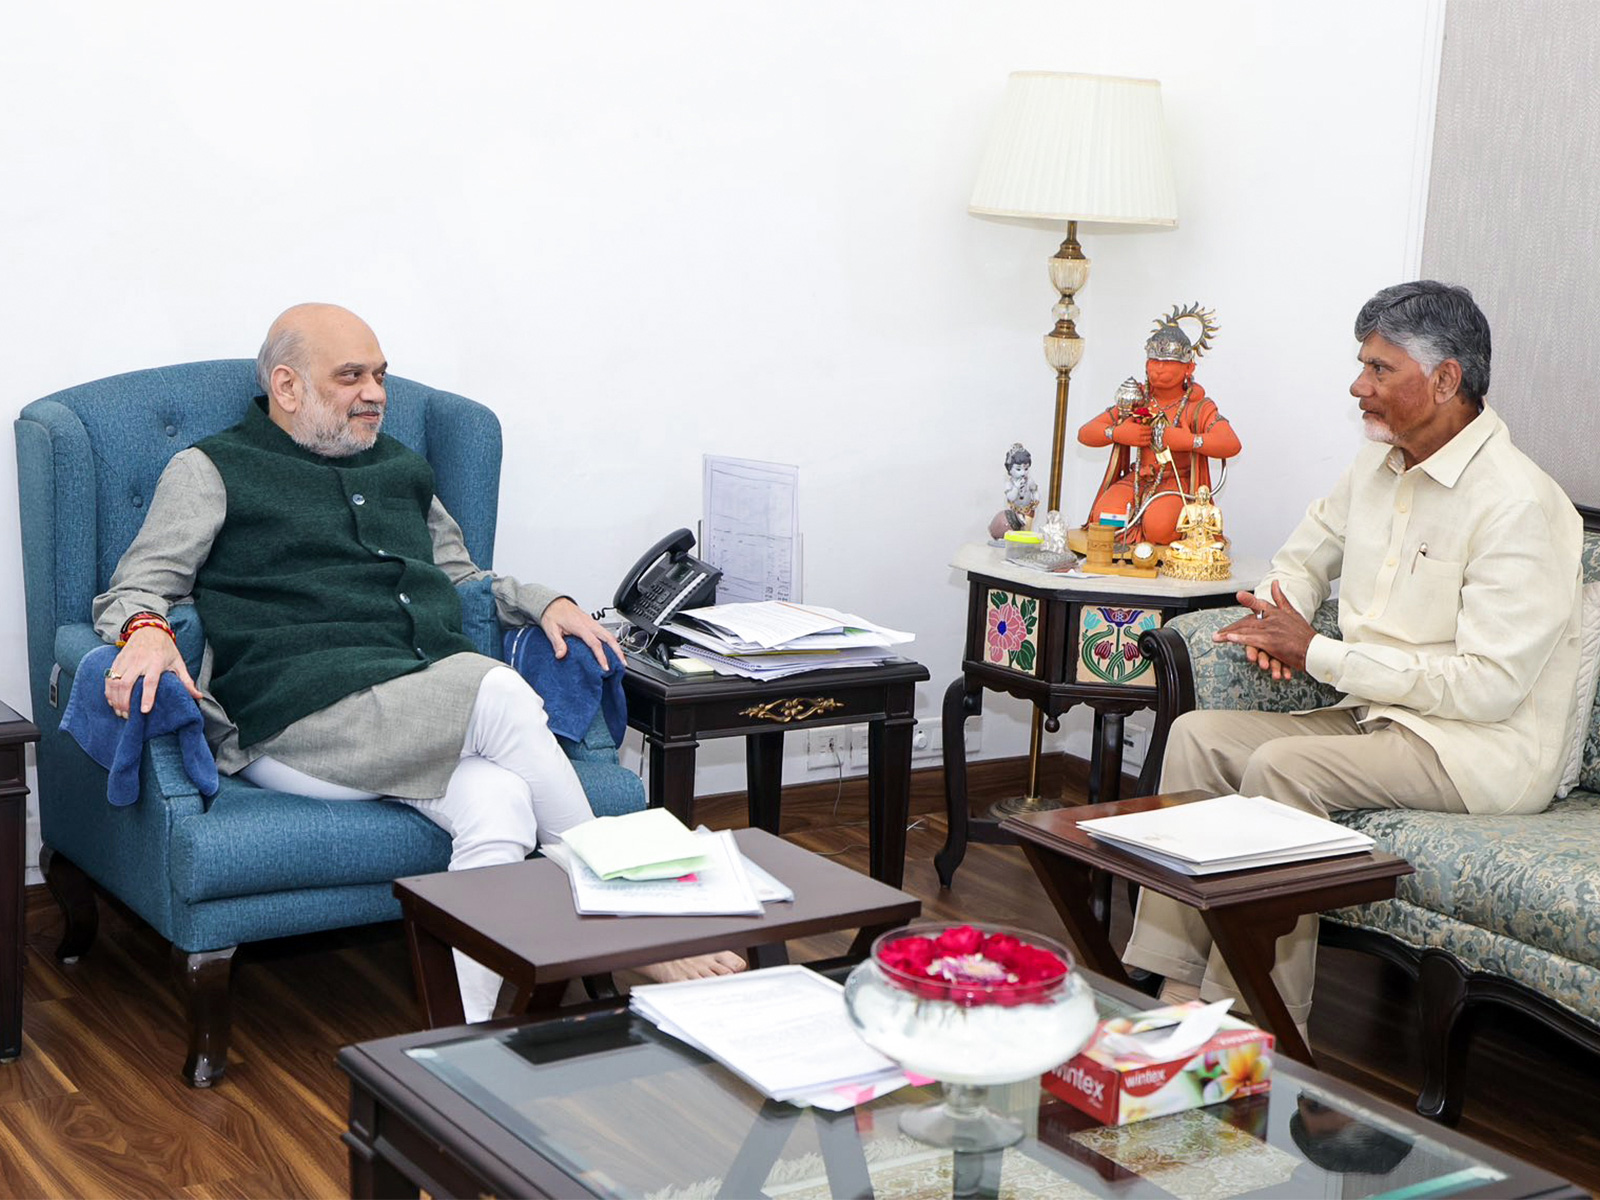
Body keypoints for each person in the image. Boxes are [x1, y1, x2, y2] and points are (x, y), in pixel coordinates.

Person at [95, 303, 743, 1020]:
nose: (374, 391)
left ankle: (473, 1042)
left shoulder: (404, 467)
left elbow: (462, 575)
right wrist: (148, 630)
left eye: (379, 375)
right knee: (495, 690)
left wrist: (546, 600)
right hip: (295, 718)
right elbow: (134, 588)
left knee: (499, 804)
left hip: (414, 712)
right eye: (350, 376)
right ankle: (632, 923)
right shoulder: (212, 469)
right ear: (286, 387)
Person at [1121, 281, 1583, 1037]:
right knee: (1196, 737)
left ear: (1444, 381)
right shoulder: (1379, 465)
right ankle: (1172, 989)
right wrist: (1283, 613)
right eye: (1361, 364)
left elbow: (1491, 688)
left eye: (1378, 369)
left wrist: (1320, 654)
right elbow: (1303, 557)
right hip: (1379, 717)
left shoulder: (1517, 505)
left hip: (1475, 749)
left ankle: (1256, 1020)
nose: (1357, 385)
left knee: (1283, 767)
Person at [1078, 307, 1241, 543]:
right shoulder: (1136, 399)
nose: (1159, 369)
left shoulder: (1198, 406)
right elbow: (1085, 433)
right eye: (1154, 361)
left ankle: (1152, 540)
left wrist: (1188, 441)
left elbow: (1231, 444)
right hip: (1136, 480)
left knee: (1160, 528)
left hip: (1175, 484)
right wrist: (1118, 433)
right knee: (1104, 521)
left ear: (1189, 367)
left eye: (1168, 363)